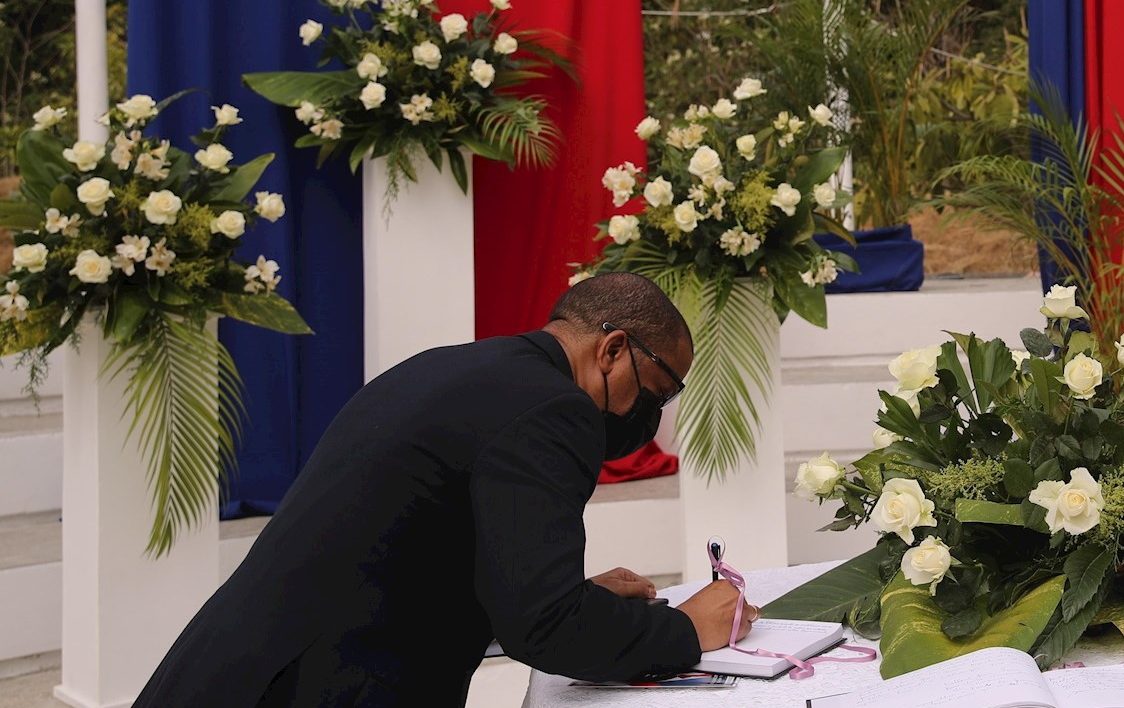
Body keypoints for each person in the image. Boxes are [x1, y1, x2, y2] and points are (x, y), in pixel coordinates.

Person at [134, 271, 754, 707]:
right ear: (614, 349)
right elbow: (546, 630)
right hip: (314, 687)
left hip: (235, 670)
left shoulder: (459, 367)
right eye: (660, 391)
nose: (655, 413)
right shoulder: (553, 410)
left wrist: (572, 596)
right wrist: (686, 630)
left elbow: (403, 553)